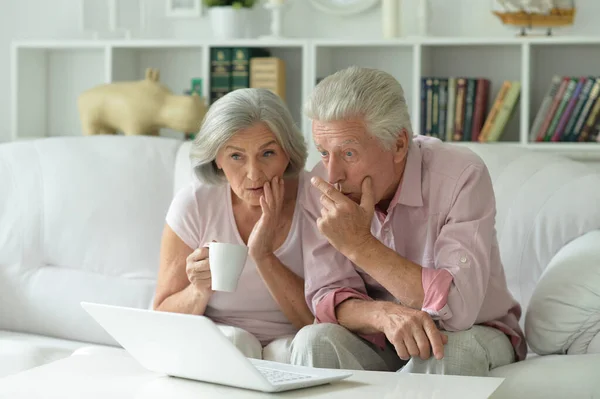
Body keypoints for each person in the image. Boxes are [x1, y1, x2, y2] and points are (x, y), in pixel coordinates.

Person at [291, 66, 526, 376]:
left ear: (399, 144)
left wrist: (361, 246)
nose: (333, 174)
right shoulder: (321, 185)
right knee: (313, 341)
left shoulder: (461, 175)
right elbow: (326, 299)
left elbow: (457, 309)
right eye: (323, 152)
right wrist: (383, 314)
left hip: (475, 330)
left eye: (348, 153)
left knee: (448, 352)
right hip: (380, 335)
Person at [152, 88, 314, 363]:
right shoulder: (195, 204)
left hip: (295, 342)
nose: (254, 173)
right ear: (217, 159)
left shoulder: (314, 199)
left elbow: (316, 322)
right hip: (221, 340)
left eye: (268, 153)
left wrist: (263, 255)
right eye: (236, 156)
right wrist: (198, 290)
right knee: (235, 343)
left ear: (288, 153)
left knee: (290, 351)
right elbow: (161, 317)